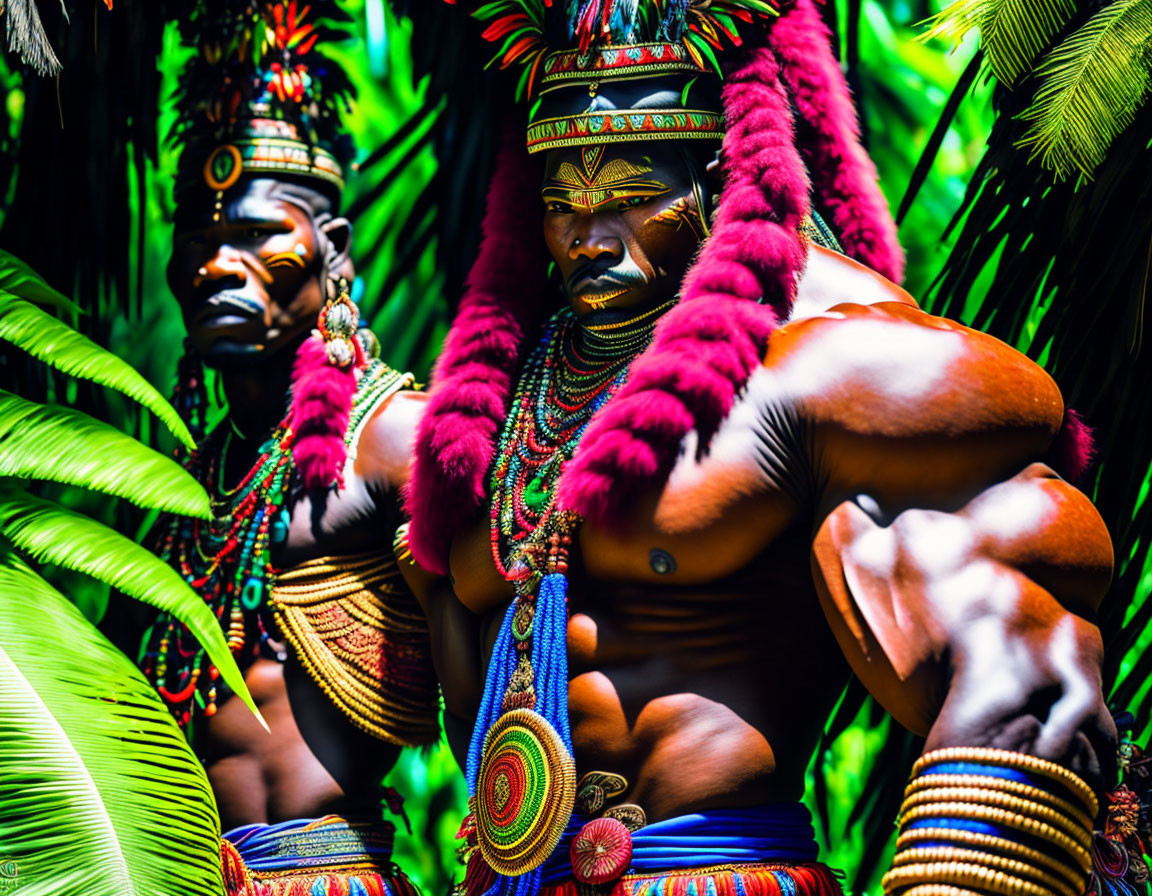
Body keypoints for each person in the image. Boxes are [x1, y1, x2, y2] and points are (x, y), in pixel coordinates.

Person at [402, 3, 1115, 896]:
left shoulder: (832, 362)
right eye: (562, 205)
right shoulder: (508, 398)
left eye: (630, 198)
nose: (588, 236)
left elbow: (1020, 677)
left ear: (713, 171)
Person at [136, 2, 438, 893]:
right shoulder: (171, 483)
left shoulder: (395, 440)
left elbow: (500, 687)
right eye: (199, 236)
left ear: (330, 252)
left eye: (256, 234)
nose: (215, 264)